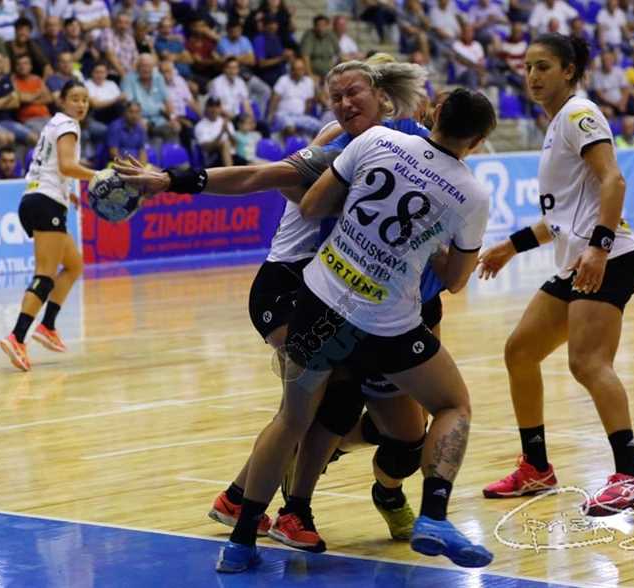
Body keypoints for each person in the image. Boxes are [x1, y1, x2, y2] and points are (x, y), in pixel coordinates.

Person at [115, 59, 440, 553]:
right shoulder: (339, 143)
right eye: (338, 96)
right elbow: (262, 176)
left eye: (355, 93)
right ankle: (283, 510)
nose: (346, 103)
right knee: (315, 403)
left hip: (341, 291)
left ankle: (242, 497)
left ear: (384, 96)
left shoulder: (408, 140)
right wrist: (173, 180)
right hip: (288, 285)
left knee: (357, 411)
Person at [212, 86, 496, 573]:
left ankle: (241, 541)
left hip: (321, 301)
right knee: (452, 405)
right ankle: (434, 513)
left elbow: (311, 203)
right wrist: (427, 243)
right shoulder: (471, 194)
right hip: (386, 323)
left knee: (292, 419)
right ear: (477, 142)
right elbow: (455, 280)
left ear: (434, 114)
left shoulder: (378, 140)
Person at [478, 33, 634, 517]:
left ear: (569, 71)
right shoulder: (558, 123)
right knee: (520, 351)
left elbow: (613, 180)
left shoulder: (580, 115)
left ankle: (632, 477)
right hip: (578, 260)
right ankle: (536, 467)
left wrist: (599, 247)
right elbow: (559, 221)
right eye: (528, 67)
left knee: (588, 363)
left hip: (609, 257)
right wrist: (510, 247)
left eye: (543, 66)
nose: (533, 76)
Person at [0, 80, 96, 371]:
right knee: (45, 275)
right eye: (75, 98)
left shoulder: (54, 123)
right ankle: (17, 337)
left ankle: (48, 326)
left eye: (85, 99)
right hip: (45, 202)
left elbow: (52, 167)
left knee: (74, 265)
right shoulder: (68, 125)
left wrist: (68, 194)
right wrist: (99, 175)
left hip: (38, 198)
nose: (81, 104)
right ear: (62, 101)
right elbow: (67, 166)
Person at [268, 56, 321, 135]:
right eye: (298, 69)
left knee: (319, 126)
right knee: (290, 127)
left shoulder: (308, 81)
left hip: (300, 116)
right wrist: (271, 116)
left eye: (302, 69)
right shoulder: (283, 80)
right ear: (292, 70)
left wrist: (317, 87)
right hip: (283, 115)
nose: (300, 72)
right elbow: (275, 99)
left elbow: (309, 102)